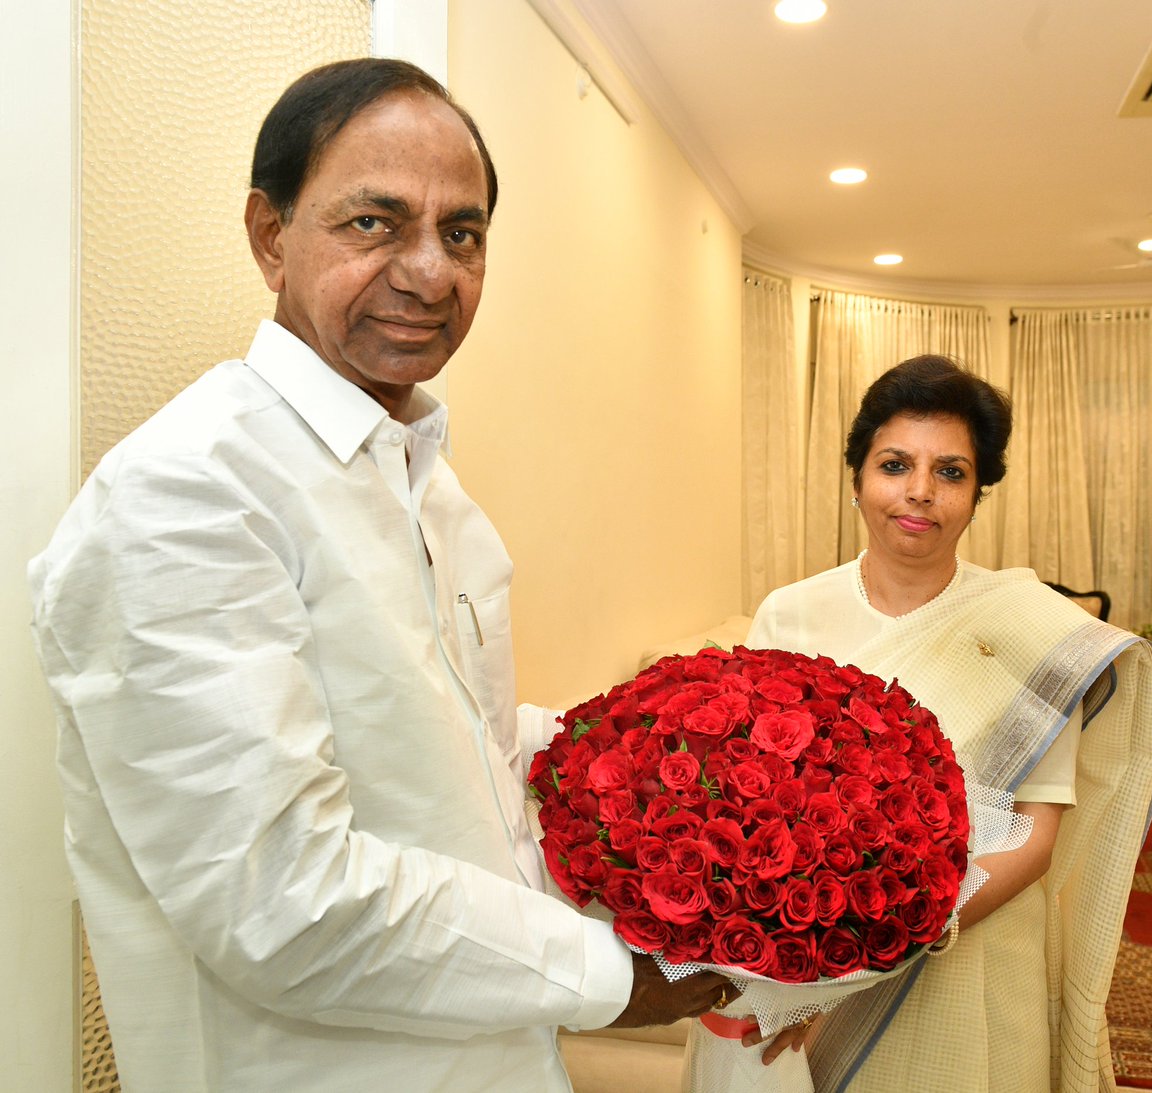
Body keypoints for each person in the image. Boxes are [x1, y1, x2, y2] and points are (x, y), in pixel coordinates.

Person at [27, 58, 729, 1092]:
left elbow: (457, 765)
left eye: (463, 233)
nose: (430, 272)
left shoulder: (435, 495)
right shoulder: (190, 492)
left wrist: (677, 760)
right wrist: (616, 979)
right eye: (374, 223)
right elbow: (279, 898)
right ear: (272, 236)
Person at [739, 355, 1152, 1090]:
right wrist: (822, 957)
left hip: (974, 949)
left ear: (977, 494)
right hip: (815, 951)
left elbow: (1036, 826)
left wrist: (904, 929)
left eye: (952, 472)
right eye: (896, 463)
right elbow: (758, 802)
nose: (920, 492)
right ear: (857, 479)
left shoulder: (1033, 629)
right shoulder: (790, 613)